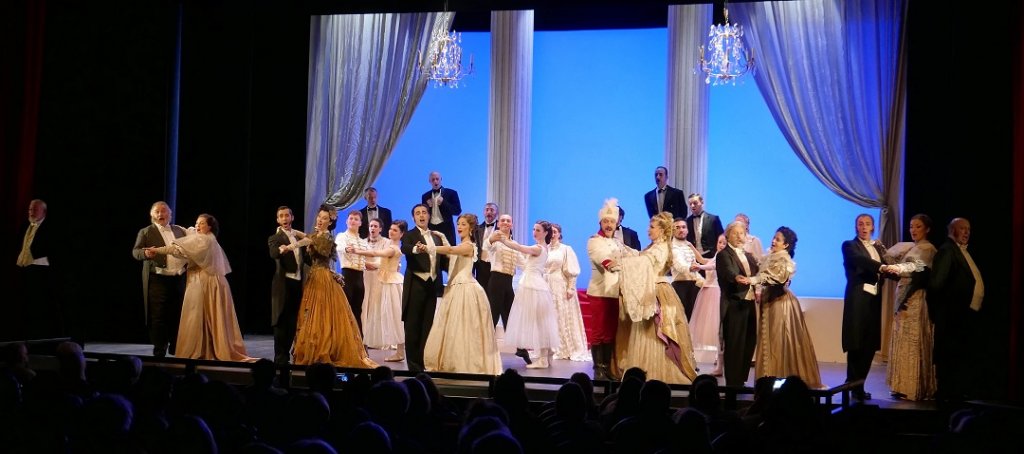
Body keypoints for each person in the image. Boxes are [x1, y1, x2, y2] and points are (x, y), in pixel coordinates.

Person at [144, 214, 254, 361]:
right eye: (197, 223)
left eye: (201, 223)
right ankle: (206, 347)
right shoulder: (206, 238)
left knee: (197, 314)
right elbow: (187, 236)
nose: (198, 226)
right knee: (203, 315)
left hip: (205, 281)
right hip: (207, 280)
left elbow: (177, 251)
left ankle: (203, 350)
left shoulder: (204, 240)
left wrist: (157, 250)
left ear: (209, 227)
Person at [617, 212, 699, 384]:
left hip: (657, 291)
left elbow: (644, 264)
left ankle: (656, 370)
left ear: (662, 230)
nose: (649, 230)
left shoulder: (661, 248)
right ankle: (643, 367)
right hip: (650, 290)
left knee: (655, 332)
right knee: (645, 331)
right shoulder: (655, 246)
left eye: (652, 227)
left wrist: (622, 263)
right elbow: (640, 257)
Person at [290, 206, 377, 368]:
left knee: (337, 314)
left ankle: (333, 348)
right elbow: (310, 239)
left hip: (328, 277)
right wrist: (295, 235)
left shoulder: (328, 237)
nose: (320, 220)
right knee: (316, 314)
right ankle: (316, 349)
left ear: (330, 221)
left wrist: (292, 245)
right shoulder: (325, 236)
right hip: (318, 277)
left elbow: (312, 242)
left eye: (324, 218)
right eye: (319, 217)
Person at [738, 226, 822, 389]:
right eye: (774, 237)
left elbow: (777, 278)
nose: (773, 241)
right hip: (769, 302)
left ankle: (780, 380)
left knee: (780, 341)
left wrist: (753, 281)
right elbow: (760, 268)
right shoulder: (770, 256)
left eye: (778, 239)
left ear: (786, 245)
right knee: (769, 339)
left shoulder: (785, 260)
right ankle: (768, 380)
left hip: (781, 304)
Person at [420, 213, 502, 375]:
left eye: (463, 224)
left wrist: (430, 247)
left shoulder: (470, 246)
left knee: (466, 327)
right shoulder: (461, 245)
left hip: (466, 288)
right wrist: (442, 237)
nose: (459, 227)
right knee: (453, 327)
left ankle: (467, 363)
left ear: (471, 228)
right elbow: (451, 252)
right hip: (455, 287)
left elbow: (451, 250)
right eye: (458, 224)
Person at [929, 217, 984, 401]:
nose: (966, 232)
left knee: (959, 357)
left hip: (963, 315)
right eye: (962, 228)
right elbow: (936, 284)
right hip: (952, 315)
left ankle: (956, 394)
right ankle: (946, 398)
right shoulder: (947, 251)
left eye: (968, 228)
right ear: (952, 230)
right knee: (949, 358)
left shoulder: (960, 251)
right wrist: (947, 308)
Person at [884, 214, 938, 400]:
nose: (913, 230)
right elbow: (894, 260)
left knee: (913, 339)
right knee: (902, 337)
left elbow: (920, 268)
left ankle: (914, 387)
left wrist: (899, 269)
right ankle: (900, 385)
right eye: (911, 226)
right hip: (903, 292)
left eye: (918, 227)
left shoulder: (928, 249)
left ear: (927, 229)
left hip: (915, 297)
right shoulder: (911, 247)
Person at [841, 213, 893, 401]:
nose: (864, 227)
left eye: (868, 224)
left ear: (872, 227)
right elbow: (861, 261)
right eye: (860, 224)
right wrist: (881, 268)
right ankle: (851, 385)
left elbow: (889, 267)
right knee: (856, 344)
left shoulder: (877, 248)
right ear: (856, 227)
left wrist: (899, 270)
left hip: (874, 301)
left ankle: (859, 385)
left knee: (869, 345)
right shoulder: (849, 245)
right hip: (858, 300)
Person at [500, 221, 561, 369]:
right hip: (534, 284)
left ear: (546, 233)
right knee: (540, 322)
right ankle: (546, 356)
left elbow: (520, 248)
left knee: (539, 323)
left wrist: (503, 240)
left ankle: (543, 358)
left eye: (538, 230)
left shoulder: (538, 248)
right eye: (533, 229)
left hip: (533, 286)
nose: (534, 232)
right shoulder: (543, 248)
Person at [586, 198, 635, 380]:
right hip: (599, 292)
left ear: (616, 224)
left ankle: (607, 366)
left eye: (612, 222)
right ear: (600, 222)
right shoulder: (594, 241)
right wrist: (618, 265)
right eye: (605, 221)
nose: (608, 225)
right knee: (598, 330)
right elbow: (603, 258)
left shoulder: (617, 243)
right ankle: (598, 367)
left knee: (610, 330)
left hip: (614, 293)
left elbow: (631, 254)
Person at [132, 201, 187, 357]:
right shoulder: (146, 232)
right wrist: (145, 254)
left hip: (178, 279)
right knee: (159, 315)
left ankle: (177, 346)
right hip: (158, 279)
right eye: (157, 211)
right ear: (152, 215)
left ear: (170, 214)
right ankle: (160, 348)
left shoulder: (179, 230)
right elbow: (136, 251)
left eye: (164, 211)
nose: (160, 214)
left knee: (178, 314)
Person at [401, 203, 450, 373]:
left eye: (424, 212)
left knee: (427, 325)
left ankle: (422, 363)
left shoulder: (436, 237)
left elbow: (442, 261)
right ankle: (413, 366)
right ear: (413, 217)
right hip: (416, 284)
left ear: (429, 216)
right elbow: (405, 248)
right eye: (417, 213)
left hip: (432, 286)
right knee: (413, 325)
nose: (421, 215)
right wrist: (416, 249)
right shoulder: (409, 235)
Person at [350, 219, 406, 361]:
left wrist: (357, 251)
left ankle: (400, 351)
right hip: (385, 282)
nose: (391, 231)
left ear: (401, 234)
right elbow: (380, 262)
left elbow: (376, 253)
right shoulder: (391, 245)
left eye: (395, 230)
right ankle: (399, 351)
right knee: (389, 316)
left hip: (392, 283)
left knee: (395, 316)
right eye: (391, 229)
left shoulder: (393, 248)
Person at [717, 221, 760, 387]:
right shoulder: (724, 254)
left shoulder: (748, 255)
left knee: (749, 341)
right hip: (734, 304)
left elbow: (759, 272)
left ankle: (741, 378)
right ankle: (732, 383)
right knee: (734, 344)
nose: (739, 236)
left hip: (749, 304)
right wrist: (736, 277)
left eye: (741, 233)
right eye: (735, 233)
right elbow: (728, 271)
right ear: (728, 235)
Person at [484, 214, 531, 364]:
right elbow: (487, 247)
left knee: (511, 316)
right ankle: (485, 349)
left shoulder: (514, 244)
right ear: (498, 224)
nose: (505, 222)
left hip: (508, 283)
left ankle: (520, 348)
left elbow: (523, 263)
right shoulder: (495, 239)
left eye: (508, 221)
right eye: (502, 220)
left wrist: (536, 270)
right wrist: (493, 238)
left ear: (512, 224)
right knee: (493, 315)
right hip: (496, 280)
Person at [545, 224, 591, 362]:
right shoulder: (544, 248)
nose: (552, 234)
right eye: (550, 232)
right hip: (546, 285)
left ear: (559, 234)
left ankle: (565, 347)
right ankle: (549, 347)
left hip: (560, 285)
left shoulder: (565, 249)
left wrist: (571, 287)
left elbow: (572, 270)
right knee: (548, 316)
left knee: (561, 315)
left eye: (555, 232)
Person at [267, 205, 306, 365]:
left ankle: (286, 358)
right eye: (281, 216)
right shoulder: (274, 238)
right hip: (283, 284)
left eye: (286, 216)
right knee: (280, 321)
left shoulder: (298, 237)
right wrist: (281, 250)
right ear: (278, 220)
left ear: (292, 217)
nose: (284, 219)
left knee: (292, 321)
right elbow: (273, 252)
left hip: (297, 284)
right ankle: (279, 358)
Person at [690, 234, 726, 372]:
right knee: (712, 330)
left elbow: (712, 267)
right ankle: (718, 361)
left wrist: (699, 267)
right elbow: (705, 261)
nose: (721, 245)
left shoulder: (724, 258)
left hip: (715, 293)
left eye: (724, 243)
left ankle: (720, 362)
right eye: (720, 242)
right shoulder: (717, 254)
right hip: (707, 291)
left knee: (717, 328)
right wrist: (691, 247)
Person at [336, 210, 368, 335]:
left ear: (360, 223)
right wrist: (346, 248)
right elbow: (338, 246)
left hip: (360, 277)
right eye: (350, 218)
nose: (353, 221)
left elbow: (368, 257)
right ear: (347, 220)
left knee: (357, 310)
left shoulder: (363, 241)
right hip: (347, 275)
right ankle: (345, 340)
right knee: (346, 309)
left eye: (356, 219)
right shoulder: (342, 236)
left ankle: (358, 342)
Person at [669, 218, 703, 320]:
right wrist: (692, 267)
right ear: (672, 231)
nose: (681, 230)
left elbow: (701, 260)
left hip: (694, 285)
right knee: (683, 320)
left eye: (683, 227)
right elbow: (679, 266)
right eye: (677, 227)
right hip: (681, 286)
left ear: (687, 230)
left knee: (695, 319)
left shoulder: (688, 245)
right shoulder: (672, 247)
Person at [360, 218, 387, 336]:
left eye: (376, 226)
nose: (373, 228)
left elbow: (385, 260)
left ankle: (376, 336)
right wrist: (365, 264)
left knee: (377, 304)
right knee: (365, 304)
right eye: (371, 226)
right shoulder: (363, 242)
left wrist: (372, 265)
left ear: (380, 229)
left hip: (379, 277)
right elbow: (359, 259)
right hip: (365, 276)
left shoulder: (386, 242)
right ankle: (365, 335)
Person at [421, 171, 462, 246]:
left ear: (441, 179)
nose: (435, 181)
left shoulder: (451, 193)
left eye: (437, 179)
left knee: (449, 255)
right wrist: (427, 207)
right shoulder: (425, 196)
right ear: (429, 181)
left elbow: (457, 211)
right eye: (433, 180)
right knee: (433, 255)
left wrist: (444, 203)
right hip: (431, 229)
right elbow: (423, 214)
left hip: (446, 229)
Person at [686, 194, 725, 260]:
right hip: (693, 257)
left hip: (711, 256)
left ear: (702, 202)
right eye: (690, 204)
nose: (692, 206)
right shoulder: (687, 221)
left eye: (695, 203)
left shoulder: (713, 219)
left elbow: (721, 238)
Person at [474, 202, 499, 289]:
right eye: (487, 210)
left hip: (496, 265)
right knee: (482, 291)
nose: (489, 212)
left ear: (497, 213)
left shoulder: (502, 229)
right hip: (481, 265)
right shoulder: (477, 229)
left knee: (494, 291)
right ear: (484, 212)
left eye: (492, 210)